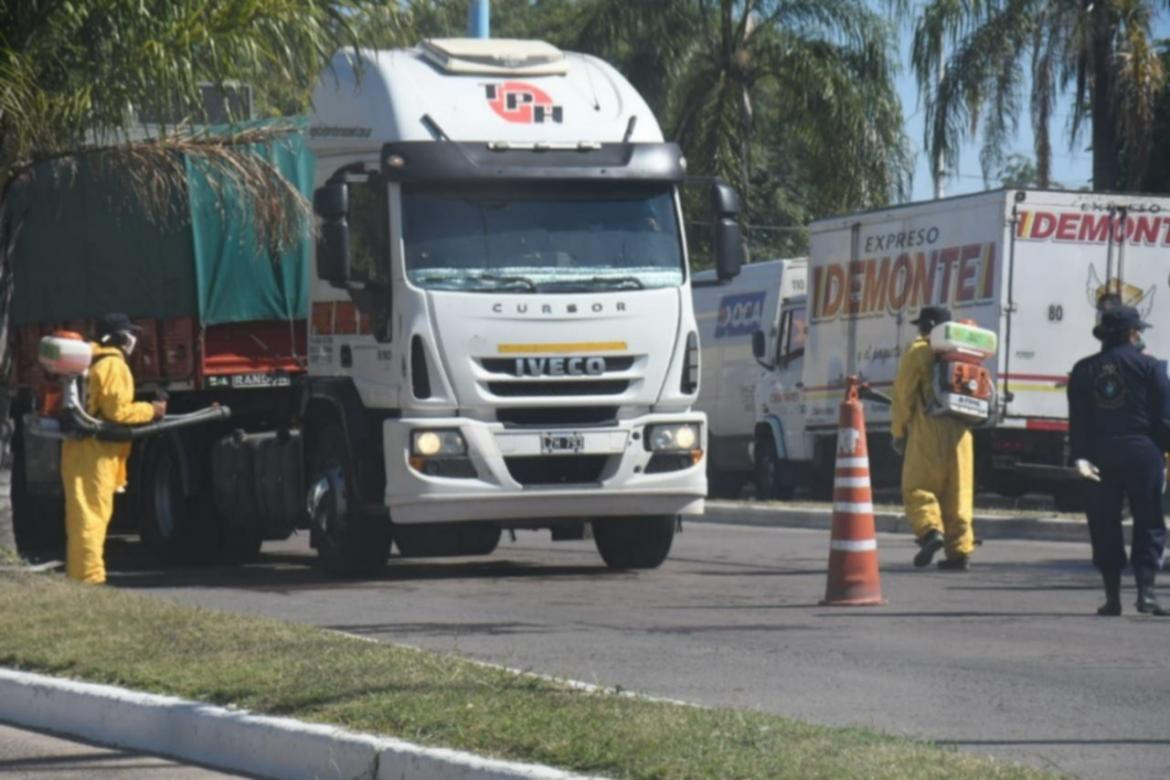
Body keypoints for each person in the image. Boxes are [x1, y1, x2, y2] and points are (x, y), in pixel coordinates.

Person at [1067, 305, 1170, 616]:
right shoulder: (1151, 367)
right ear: (1132, 332)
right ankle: (1147, 594)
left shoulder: (1084, 370)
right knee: (1149, 521)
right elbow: (1165, 417)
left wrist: (1080, 457)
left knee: (1104, 523)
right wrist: (1163, 451)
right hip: (1144, 453)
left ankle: (1112, 597)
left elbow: (1078, 421)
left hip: (1100, 455)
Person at [61, 314, 165, 584]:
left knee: (81, 515)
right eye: (129, 334)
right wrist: (150, 410)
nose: (133, 339)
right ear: (118, 337)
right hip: (96, 452)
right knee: (93, 516)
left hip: (78, 449)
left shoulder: (91, 361)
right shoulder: (113, 365)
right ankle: (91, 578)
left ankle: (80, 575)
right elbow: (117, 412)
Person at [891, 305, 975, 571]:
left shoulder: (918, 351)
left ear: (924, 326)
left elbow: (903, 396)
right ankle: (959, 553)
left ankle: (930, 532)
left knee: (917, 486)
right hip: (962, 432)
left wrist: (898, 432)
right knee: (958, 494)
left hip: (929, 427)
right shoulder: (964, 353)